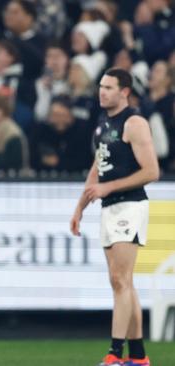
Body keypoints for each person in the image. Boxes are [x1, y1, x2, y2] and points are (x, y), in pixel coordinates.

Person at [70, 68, 159, 366]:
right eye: (101, 86)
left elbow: (151, 171)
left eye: (109, 87)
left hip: (130, 206)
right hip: (110, 207)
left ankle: (114, 354)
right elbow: (98, 166)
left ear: (125, 91)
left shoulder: (134, 123)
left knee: (121, 280)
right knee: (122, 282)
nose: (102, 92)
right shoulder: (103, 123)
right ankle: (138, 356)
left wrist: (108, 187)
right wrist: (80, 207)